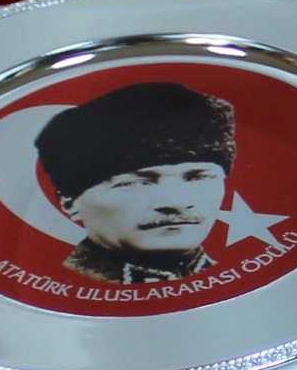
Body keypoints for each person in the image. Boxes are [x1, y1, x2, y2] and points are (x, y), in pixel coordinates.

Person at [34, 80, 235, 285]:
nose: (175, 202)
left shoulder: (232, 276)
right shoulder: (61, 286)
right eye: (135, 183)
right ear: (70, 202)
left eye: (199, 177)